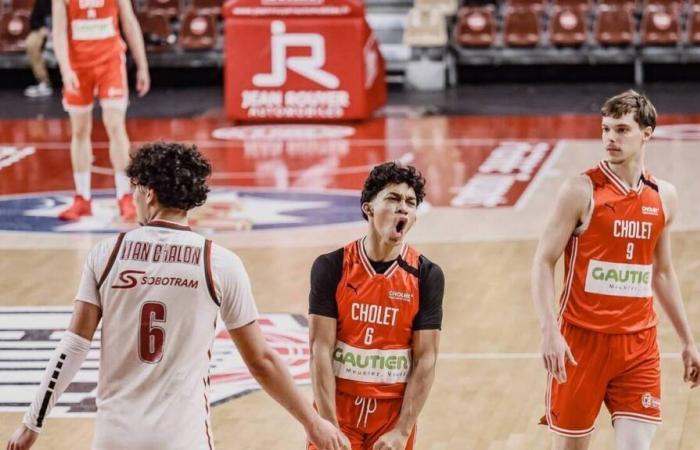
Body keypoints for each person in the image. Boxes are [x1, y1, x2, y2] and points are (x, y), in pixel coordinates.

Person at [6, 142, 348, 450]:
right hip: (182, 438)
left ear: (149, 192)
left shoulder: (106, 255)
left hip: (115, 436)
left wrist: (32, 422)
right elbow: (261, 360)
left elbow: (73, 348)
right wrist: (311, 421)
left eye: (136, 190)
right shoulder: (220, 263)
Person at [532, 90, 700, 450]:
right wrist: (549, 331)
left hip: (638, 344)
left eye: (622, 129)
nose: (610, 138)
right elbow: (543, 261)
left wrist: (688, 341)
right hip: (580, 343)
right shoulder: (581, 190)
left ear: (647, 132)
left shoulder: (663, 196)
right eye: (606, 129)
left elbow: (664, 272)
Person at [308, 161, 444, 450]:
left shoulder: (426, 275)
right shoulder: (331, 267)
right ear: (368, 208)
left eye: (411, 202)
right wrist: (329, 424)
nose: (403, 208)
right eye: (393, 198)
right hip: (338, 408)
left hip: (392, 415)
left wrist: (402, 430)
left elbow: (426, 359)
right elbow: (320, 349)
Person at [52, 0, 151, 221]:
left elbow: (129, 22)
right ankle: (82, 198)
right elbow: (58, 32)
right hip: (78, 65)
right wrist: (65, 70)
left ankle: (125, 196)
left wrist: (142, 65)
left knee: (116, 126)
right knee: (79, 130)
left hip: (110, 62)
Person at [24, 0, 53, 98]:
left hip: (67, 31)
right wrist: (42, 29)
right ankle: (44, 82)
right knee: (31, 43)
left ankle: (86, 82)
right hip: (46, 32)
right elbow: (34, 20)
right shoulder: (42, 1)